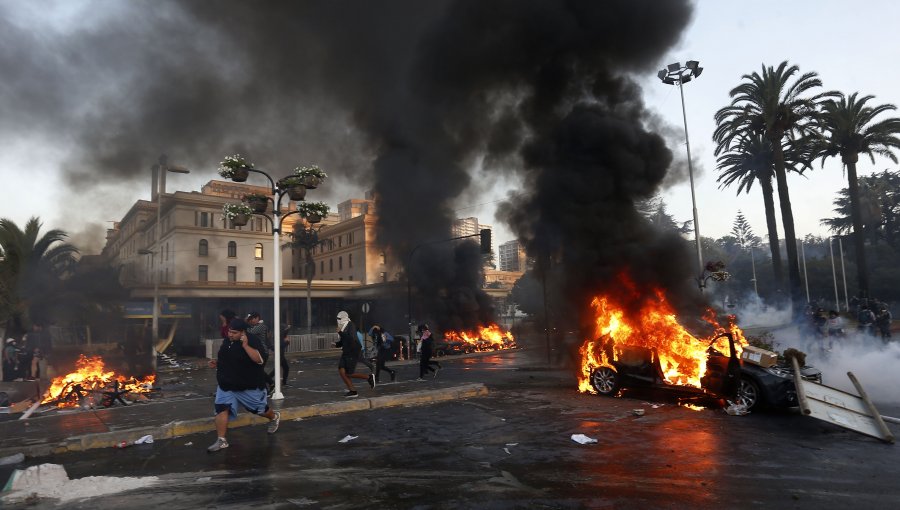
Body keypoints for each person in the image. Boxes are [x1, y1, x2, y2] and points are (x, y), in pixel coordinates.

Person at [207, 318, 280, 453]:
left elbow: (259, 360)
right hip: (227, 384)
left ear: (242, 332)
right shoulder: (227, 341)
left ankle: (274, 417)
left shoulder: (253, 341)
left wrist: (246, 346)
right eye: (229, 331)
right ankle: (221, 440)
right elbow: (227, 357)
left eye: (234, 333)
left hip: (247, 385)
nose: (230, 334)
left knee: (259, 409)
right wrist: (217, 363)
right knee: (221, 408)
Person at [334, 310, 375, 397]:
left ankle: (369, 378)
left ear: (343, 318)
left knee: (349, 373)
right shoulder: (343, 327)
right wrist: (336, 344)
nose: (337, 320)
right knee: (341, 371)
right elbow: (344, 341)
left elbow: (351, 340)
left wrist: (340, 332)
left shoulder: (350, 325)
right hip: (346, 352)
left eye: (339, 318)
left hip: (352, 351)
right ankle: (352, 391)